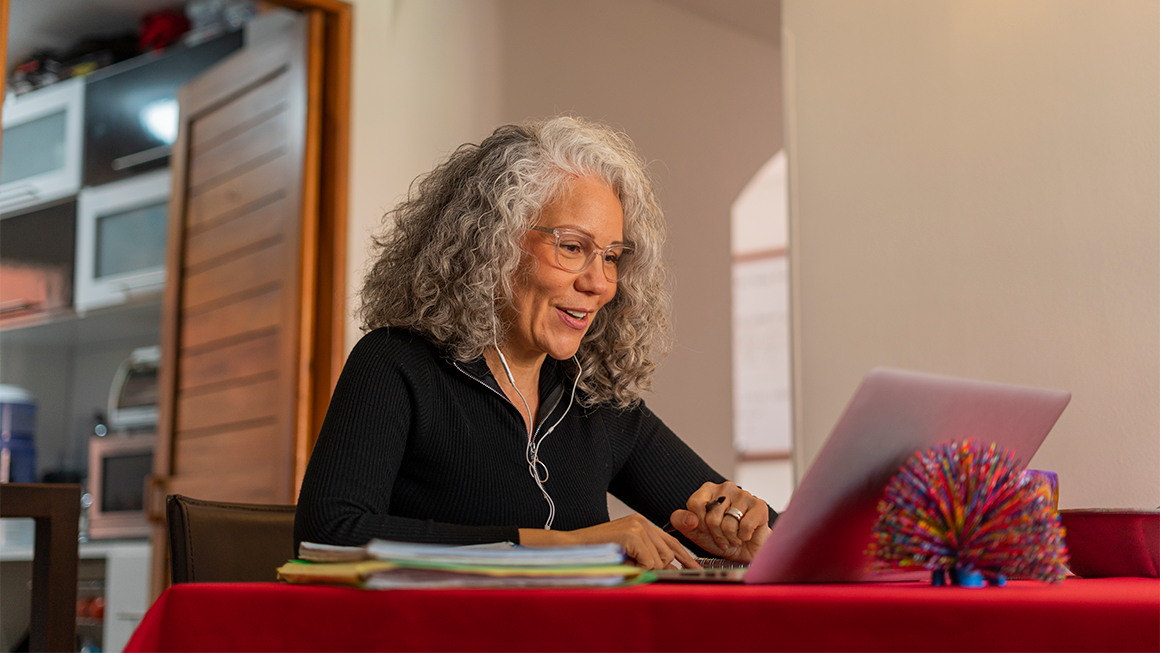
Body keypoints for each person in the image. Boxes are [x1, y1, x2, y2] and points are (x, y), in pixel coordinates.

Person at [294, 116, 775, 570]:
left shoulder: (596, 402)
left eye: (611, 257)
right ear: (492, 242)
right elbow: (329, 534)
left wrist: (748, 534)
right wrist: (561, 544)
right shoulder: (395, 363)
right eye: (572, 247)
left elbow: (784, 539)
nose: (600, 283)